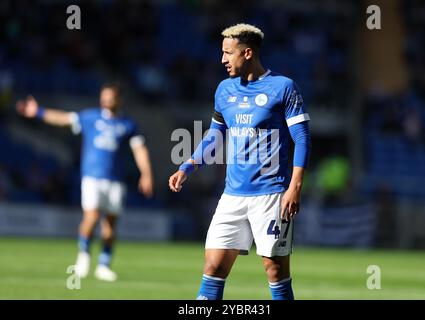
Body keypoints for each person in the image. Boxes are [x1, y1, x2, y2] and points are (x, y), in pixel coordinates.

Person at [169, 23, 311, 300]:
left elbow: (302, 139)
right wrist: (187, 166)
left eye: (228, 53)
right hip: (232, 195)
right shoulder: (224, 90)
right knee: (213, 267)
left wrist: (295, 186)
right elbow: (215, 136)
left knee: (275, 272)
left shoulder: (283, 88)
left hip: (272, 195)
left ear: (247, 53)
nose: (222, 59)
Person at [16, 84, 154, 281]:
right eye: (103, 97)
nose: (105, 100)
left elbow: (140, 149)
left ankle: (104, 265)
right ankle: (83, 255)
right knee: (91, 217)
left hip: (116, 181)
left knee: (110, 226)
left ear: (118, 100)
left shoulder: (128, 124)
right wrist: (38, 111)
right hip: (92, 177)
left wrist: (146, 174)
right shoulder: (91, 118)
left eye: (110, 97)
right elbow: (63, 119)